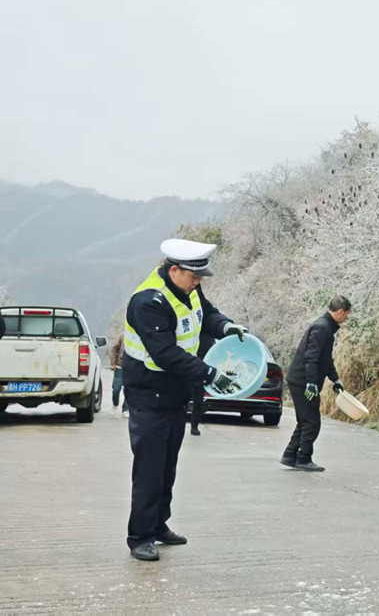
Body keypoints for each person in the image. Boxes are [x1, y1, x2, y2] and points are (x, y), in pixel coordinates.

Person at [123, 238, 248, 561]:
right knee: (149, 470)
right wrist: (209, 374)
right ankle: (140, 536)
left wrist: (226, 326)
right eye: (194, 277)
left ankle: (158, 524)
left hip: (174, 395)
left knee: (167, 467)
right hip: (149, 396)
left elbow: (207, 314)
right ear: (174, 270)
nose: (198, 282)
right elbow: (165, 353)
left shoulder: (189, 288)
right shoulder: (148, 302)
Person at [280, 296, 351, 472]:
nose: (347, 318)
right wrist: (311, 383)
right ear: (340, 312)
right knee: (312, 422)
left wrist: (335, 379)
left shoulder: (325, 327)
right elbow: (311, 357)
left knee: (305, 421)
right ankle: (303, 459)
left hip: (300, 380)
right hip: (303, 381)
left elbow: (325, 359)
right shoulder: (322, 328)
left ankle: (290, 455)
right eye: (347, 314)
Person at [110, 331, 127, 416]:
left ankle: (125, 409)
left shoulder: (140, 335)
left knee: (129, 389)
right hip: (120, 366)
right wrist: (113, 363)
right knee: (116, 388)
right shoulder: (123, 335)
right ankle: (115, 404)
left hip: (132, 368)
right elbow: (114, 349)